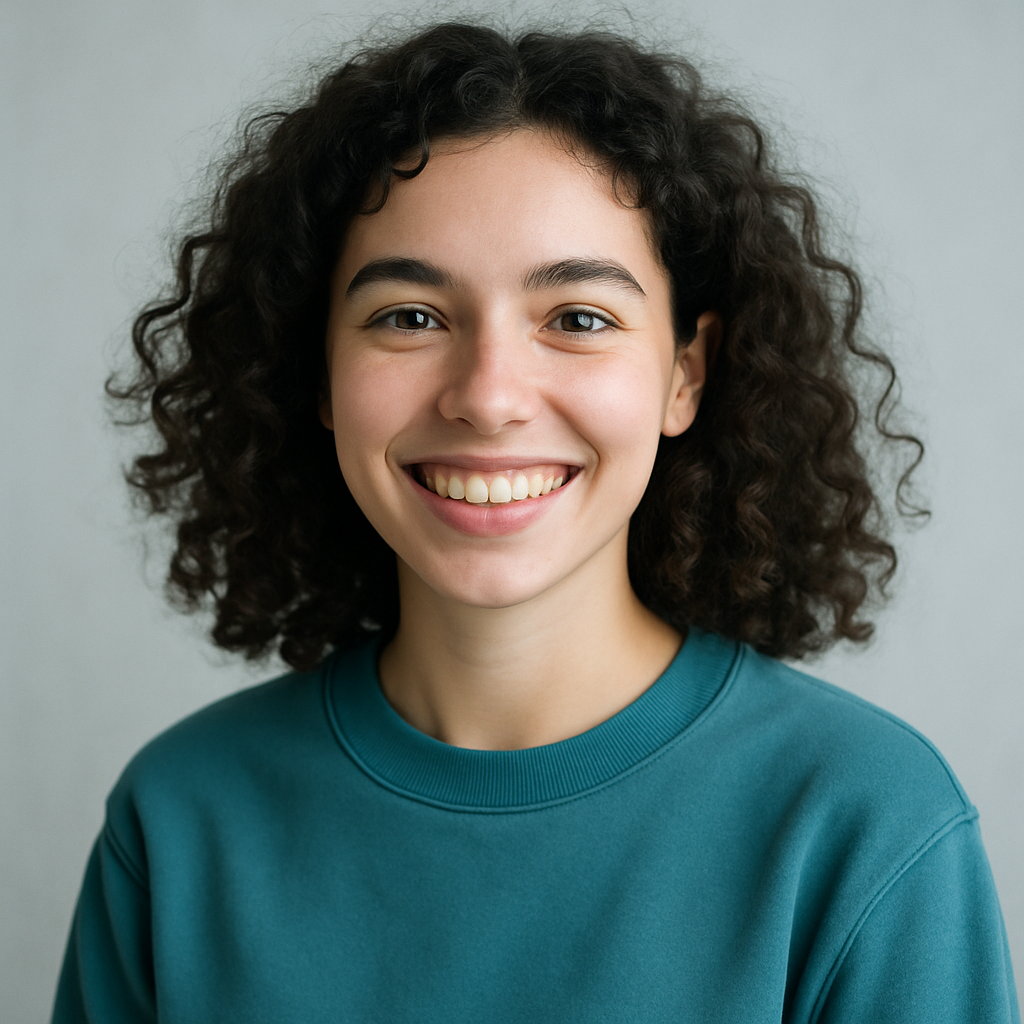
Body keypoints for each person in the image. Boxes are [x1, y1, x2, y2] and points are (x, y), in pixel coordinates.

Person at [51, 20, 1019, 1023]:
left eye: (578, 318)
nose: (489, 397)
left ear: (684, 370)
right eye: (410, 317)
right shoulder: (177, 822)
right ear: (321, 373)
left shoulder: (863, 824)